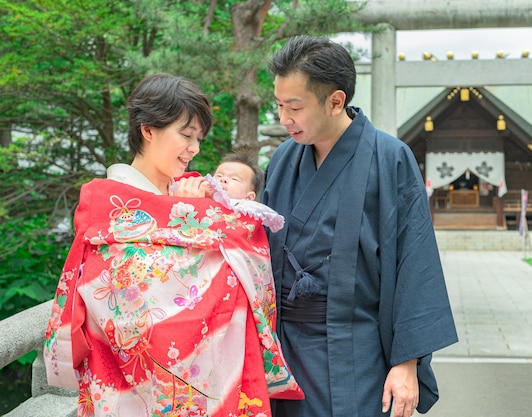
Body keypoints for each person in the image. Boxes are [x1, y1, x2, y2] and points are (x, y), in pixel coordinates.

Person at [43, 72, 302, 417]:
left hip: (208, 382)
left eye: (199, 138)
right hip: (126, 387)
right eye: (186, 134)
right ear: (148, 130)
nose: (195, 149)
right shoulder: (109, 206)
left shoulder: (195, 196)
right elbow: (121, 308)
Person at [262, 36, 458, 417]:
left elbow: (414, 263)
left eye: (295, 107)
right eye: (280, 105)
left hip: (358, 352)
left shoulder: (389, 158)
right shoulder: (284, 159)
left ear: (335, 101)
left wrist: (407, 364)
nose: (284, 118)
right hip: (284, 353)